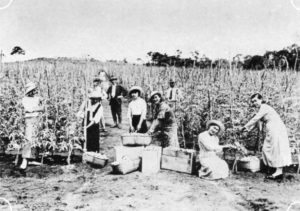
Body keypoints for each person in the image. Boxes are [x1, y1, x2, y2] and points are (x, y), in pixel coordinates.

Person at [241, 93, 292, 180]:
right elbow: (257, 123)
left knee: (276, 148)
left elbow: (256, 119)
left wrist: (245, 126)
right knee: (267, 148)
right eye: (253, 101)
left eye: (256, 101)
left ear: (261, 100)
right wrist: (246, 130)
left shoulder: (264, 107)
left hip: (276, 128)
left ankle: (278, 172)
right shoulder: (261, 109)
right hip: (271, 129)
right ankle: (272, 168)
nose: (254, 103)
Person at [19, 82, 43, 170]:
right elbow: (27, 110)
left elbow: (43, 108)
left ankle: (32, 158)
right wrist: (36, 109)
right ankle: (24, 160)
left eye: (35, 90)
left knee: (35, 140)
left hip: (36, 119)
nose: (34, 92)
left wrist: (36, 109)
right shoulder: (25, 99)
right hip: (29, 120)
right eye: (32, 90)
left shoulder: (37, 99)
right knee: (28, 139)